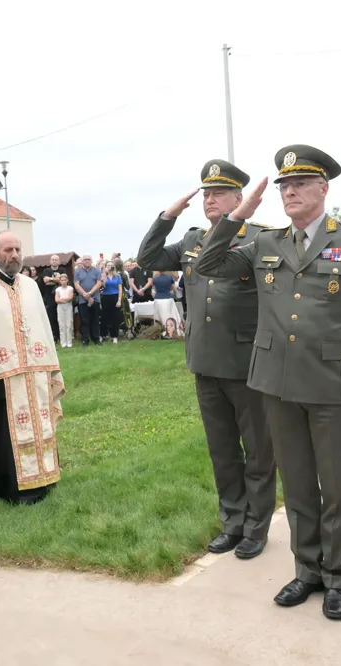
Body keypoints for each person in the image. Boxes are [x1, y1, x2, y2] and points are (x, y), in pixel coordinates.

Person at [194, 145, 341, 620]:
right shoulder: (264, 242)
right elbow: (208, 264)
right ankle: (307, 571)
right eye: (284, 185)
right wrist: (238, 214)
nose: (290, 191)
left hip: (332, 383)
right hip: (276, 382)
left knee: (336, 485)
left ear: (324, 189)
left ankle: (336, 575)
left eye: (300, 183)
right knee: (299, 484)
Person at [137, 159, 276, 560]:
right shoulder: (191, 240)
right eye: (206, 194)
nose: (209, 200)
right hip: (204, 359)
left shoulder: (260, 238)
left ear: (240, 198)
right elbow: (147, 258)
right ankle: (233, 521)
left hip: (247, 360)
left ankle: (257, 526)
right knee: (222, 450)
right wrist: (168, 216)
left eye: (219, 193)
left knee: (258, 450)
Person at [0, 230, 66, 504]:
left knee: (39, 423)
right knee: (2, 430)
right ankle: (7, 485)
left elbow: (41, 324)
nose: (14, 255)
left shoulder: (30, 285)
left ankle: (43, 477)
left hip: (34, 370)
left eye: (17, 249)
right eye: (8, 250)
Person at [55, 274, 76, 347]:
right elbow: (57, 300)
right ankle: (63, 342)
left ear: (67, 280)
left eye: (65, 280)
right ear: (60, 281)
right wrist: (64, 300)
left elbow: (70, 297)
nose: (63, 282)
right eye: (62, 280)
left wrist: (62, 299)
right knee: (61, 324)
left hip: (68, 306)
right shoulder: (58, 289)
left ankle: (69, 341)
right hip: (60, 307)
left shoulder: (70, 288)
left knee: (69, 323)